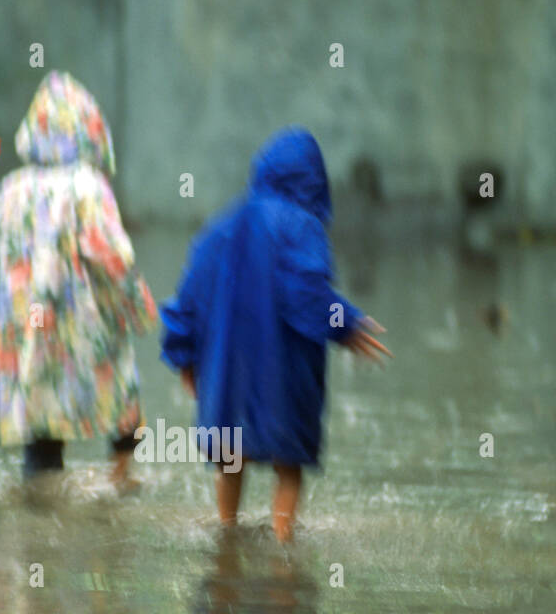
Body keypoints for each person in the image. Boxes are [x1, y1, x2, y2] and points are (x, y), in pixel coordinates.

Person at [159, 126, 390, 541]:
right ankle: (285, 557)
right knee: (288, 468)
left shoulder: (220, 226)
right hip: (283, 376)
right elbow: (306, 294)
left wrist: (183, 357)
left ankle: (225, 539)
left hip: (226, 374)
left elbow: (188, 297)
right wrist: (347, 323)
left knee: (230, 459)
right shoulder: (301, 226)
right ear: (314, 181)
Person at [0, 71, 157, 482]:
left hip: (32, 335)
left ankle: (38, 513)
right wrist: (136, 311)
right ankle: (120, 489)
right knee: (123, 407)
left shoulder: (13, 189)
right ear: (90, 129)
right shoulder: (89, 187)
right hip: (86, 326)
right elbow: (112, 257)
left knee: (41, 428)